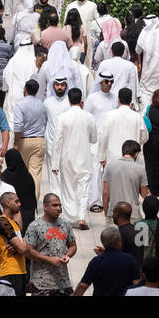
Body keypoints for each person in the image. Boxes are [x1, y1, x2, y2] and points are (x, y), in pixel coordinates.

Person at [54, 87, 98, 228]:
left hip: (66, 159)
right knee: (84, 189)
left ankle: (69, 217)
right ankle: (81, 217)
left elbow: (57, 141)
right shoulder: (89, 117)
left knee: (68, 189)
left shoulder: (62, 117)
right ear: (81, 100)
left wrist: (54, 163)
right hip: (84, 158)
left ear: (68, 100)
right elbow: (94, 138)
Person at [73, 225, 140, 297]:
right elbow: (136, 284)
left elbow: (82, 286)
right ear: (117, 242)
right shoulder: (130, 260)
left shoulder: (96, 262)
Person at [13, 78, 48, 194]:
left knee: (21, 172)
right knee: (35, 174)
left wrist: (16, 143)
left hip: (24, 141)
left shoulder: (20, 105)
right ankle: (33, 201)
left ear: (25, 89)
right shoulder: (41, 104)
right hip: (39, 141)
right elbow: (45, 122)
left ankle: (22, 200)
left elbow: (18, 125)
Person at [0, 191, 30, 295]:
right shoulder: (3, 222)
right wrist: (21, 246)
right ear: (7, 203)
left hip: (21, 270)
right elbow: (23, 248)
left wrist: (20, 246)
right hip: (10, 271)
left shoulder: (14, 222)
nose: (20, 204)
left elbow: (25, 245)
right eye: (16, 201)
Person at [102, 140, 150, 218]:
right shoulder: (140, 169)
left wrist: (107, 213)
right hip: (132, 214)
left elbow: (105, 193)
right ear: (136, 154)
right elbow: (145, 194)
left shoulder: (110, 166)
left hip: (114, 214)